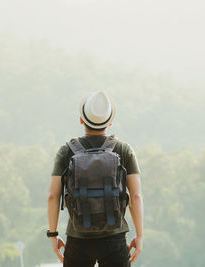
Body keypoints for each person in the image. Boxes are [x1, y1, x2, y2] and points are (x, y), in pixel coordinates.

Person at [47, 91, 143, 267]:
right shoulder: (124, 150)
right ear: (110, 122)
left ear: (81, 119)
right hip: (115, 237)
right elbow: (135, 197)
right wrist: (140, 235)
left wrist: (53, 235)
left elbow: (53, 196)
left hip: (77, 239)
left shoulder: (66, 151)